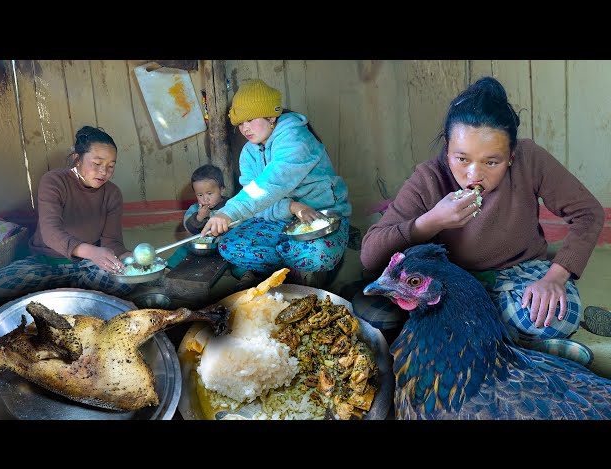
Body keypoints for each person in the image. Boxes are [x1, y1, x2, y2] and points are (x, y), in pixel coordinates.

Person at [360, 76, 608, 343]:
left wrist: (556, 277)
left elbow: (588, 213)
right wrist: (432, 221)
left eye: (492, 162)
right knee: (376, 316)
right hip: (454, 281)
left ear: (511, 156)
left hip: (521, 272)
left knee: (556, 316)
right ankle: (504, 342)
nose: (473, 175)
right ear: (447, 148)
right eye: (462, 158)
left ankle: (473, 336)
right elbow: (370, 255)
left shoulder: (530, 159)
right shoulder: (429, 178)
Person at [200, 78, 352, 291]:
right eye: (241, 123)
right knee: (230, 246)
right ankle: (293, 267)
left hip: (319, 217)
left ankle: (293, 269)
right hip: (277, 219)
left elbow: (270, 183)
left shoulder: (295, 139)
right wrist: (292, 207)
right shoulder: (249, 153)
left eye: (251, 120)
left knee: (318, 255)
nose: (245, 128)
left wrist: (229, 212)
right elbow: (257, 201)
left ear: (272, 116)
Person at [0, 125, 133, 302]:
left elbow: (112, 242)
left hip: (87, 266)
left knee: (126, 281)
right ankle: (80, 294)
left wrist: (129, 258)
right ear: (77, 159)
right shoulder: (54, 181)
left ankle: (61, 295)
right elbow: (50, 233)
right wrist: (92, 252)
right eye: (97, 163)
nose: (104, 172)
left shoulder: (112, 193)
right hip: (46, 263)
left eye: (110, 166)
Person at [166, 164, 230, 268]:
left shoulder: (231, 206)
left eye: (209, 193)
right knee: (183, 249)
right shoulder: (195, 209)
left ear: (221, 189)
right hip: (201, 247)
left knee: (237, 254)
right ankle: (168, 268)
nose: (205, 199)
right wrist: (199, 217)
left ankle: (246, 275)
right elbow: (189, 228)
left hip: (224, 245)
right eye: (200, 195)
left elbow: (239, 224)